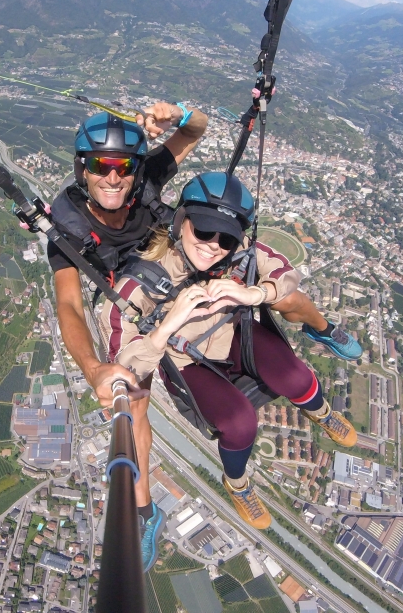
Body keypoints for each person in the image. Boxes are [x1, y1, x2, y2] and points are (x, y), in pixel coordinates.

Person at [49, 108, 360, 565]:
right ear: (82, 168)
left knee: (290, 332)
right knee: (132, 403)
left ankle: (325, 334)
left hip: (181, 261)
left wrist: (175, 112)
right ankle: (143, 511)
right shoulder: (68, 233)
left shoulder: (153, 186)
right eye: (100, 166)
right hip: (141, 299)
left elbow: (194, 131)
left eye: (123, 168)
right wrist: (96, 368)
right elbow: (70, 306)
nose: (113, 177)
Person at [99, 171, 357, 530]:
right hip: (186, 361)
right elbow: (122, 368)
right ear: (181, 223)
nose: (213, 245)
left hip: (234, 332)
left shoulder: (238, 254)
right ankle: (238, 484)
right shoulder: (140, 283)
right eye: (203, 231)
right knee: (239, 425)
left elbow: (283, 271)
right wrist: (167, 325)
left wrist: (256, 294)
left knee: (296, 376)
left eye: (226, 238)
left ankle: (322, 412)